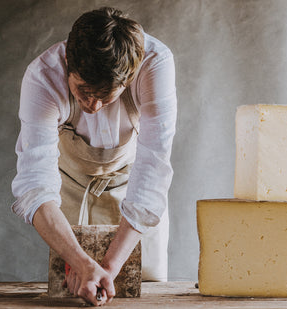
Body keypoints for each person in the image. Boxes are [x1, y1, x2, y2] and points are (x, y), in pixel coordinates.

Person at [11, 7, 176, 306]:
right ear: (68, 65)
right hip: (69, 192)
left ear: (127, 80)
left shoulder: (155, 65)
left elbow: (153, 165)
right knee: (73, 298)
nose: (93, 105)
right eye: (83, 90)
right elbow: (34, 186)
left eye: (106, 96)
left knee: (145, 297)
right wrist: (81, 260)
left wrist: (110, 267)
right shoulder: (43, 77)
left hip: (134, 191)